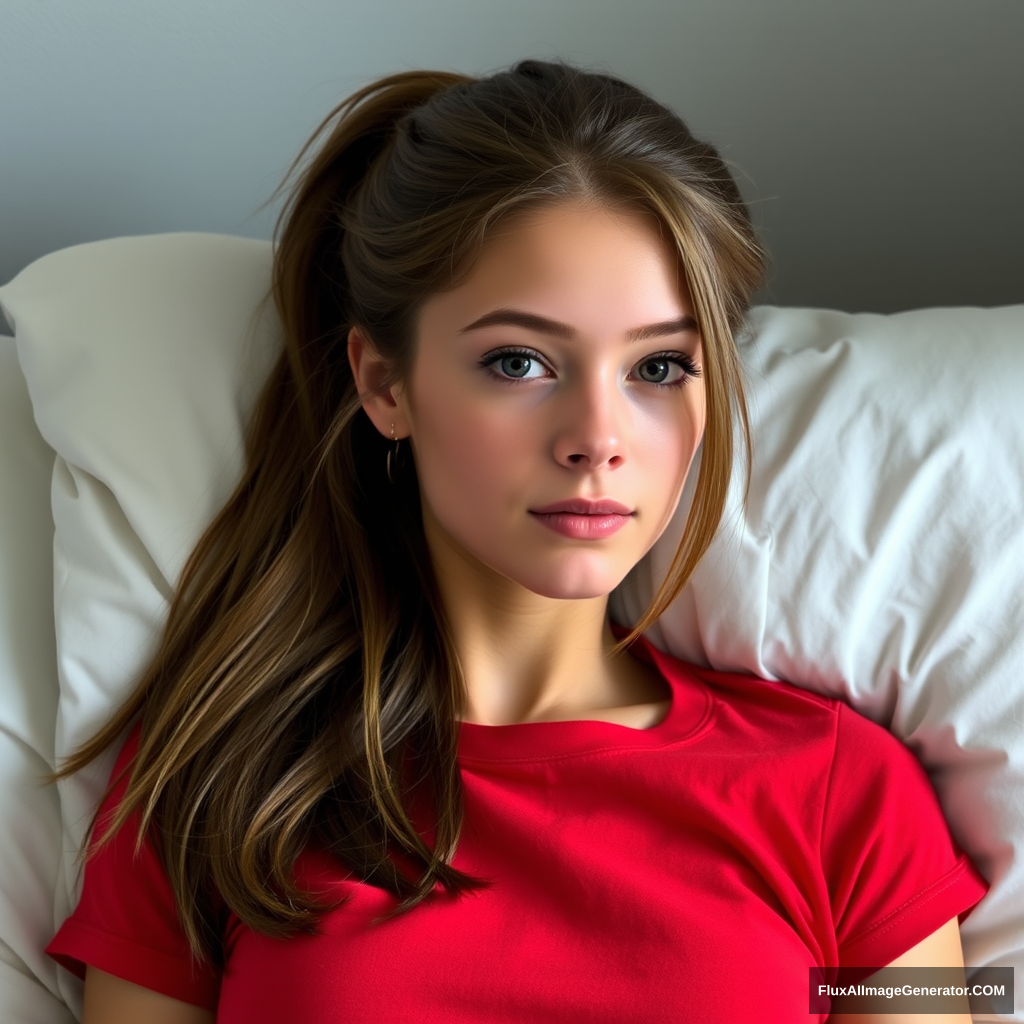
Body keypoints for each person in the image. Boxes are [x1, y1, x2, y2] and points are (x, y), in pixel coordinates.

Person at [46, 59, 987, 1023]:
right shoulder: (225, 779)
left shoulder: (845, 796)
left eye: (659, 366)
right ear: (384, 385)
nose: (598, 438)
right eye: (519, 361)